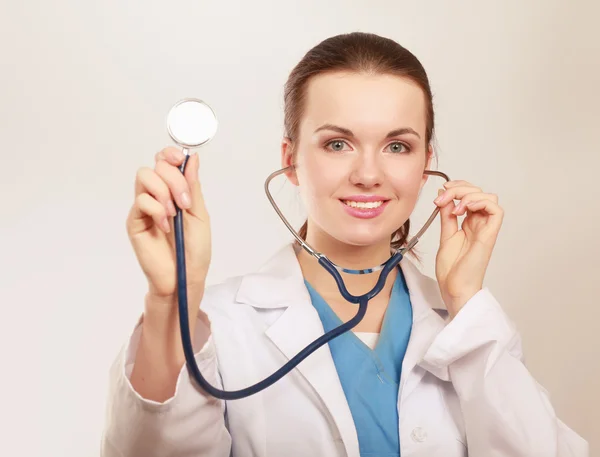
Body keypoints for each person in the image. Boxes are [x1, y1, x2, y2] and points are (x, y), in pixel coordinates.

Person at [100, 32, 588, 457]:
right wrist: (172, 300)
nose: (368, 175)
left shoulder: (465, 325)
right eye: (338, 143)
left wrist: (465, 301)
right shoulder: (223, 325)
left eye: (397, 146)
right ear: (290, 160)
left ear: (426, 163)